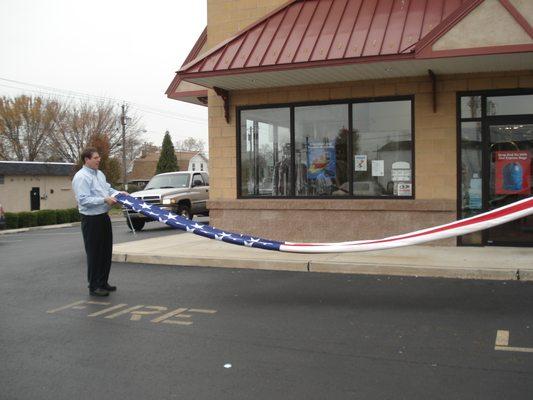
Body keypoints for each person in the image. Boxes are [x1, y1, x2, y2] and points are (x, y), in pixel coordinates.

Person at [72, 148, 125, 297]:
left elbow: (107, 189)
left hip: (103, 216)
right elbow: (83, 200)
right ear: (86, 160)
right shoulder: (81, 177)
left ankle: (103, 282)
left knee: (105, 251)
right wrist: (104, 200)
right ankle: (94, 286)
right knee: (94, 253)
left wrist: (119, 194)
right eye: (95, 158)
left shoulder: (99, 174)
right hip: (91, 219)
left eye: (98, 157)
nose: (98, 160)